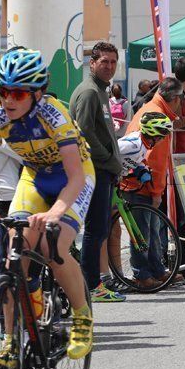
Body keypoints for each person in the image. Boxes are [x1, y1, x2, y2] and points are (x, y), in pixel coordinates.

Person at [0, 48, 95, 361]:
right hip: (35, 178)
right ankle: (11, 339)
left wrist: (55, 212)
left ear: (37, 94)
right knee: (14, 251)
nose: (8, 100)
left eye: (17, 93)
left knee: (54, 247)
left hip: (72, 177)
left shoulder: (54, 114)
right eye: (3, 91)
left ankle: (82, 317)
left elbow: (76, 177)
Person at [69, 41, 125, 303]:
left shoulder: (101, 91)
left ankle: (90, 284)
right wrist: (107, 158)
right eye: (104, 61)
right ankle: (91, 286)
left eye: (113, 62)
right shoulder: (90, 92)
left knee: (99, 229)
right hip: (94, 170)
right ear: (92, 63)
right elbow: (84, 134)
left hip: (103, 170)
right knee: (95, 230)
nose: (110, 67)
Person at [115, 111, 176, 289]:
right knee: (138, 233)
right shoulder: (134, 144)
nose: (164, 138)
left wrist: (140, 169)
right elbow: (111, 152)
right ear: (154, 133)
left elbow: (134, 161)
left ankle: (152, 271)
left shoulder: (143, 145)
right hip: (115, 183)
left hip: (124, 183)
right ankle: (140, 275)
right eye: (163, 134)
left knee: (146, 232)